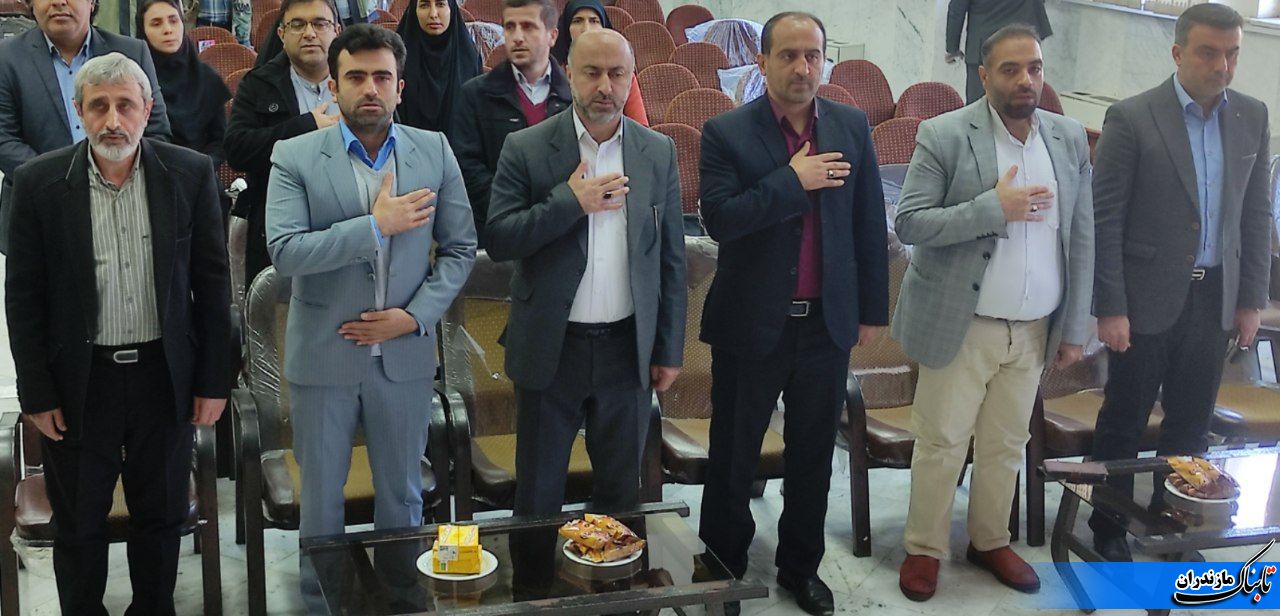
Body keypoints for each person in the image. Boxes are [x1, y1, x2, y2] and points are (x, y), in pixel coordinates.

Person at [5, 52, 231, 615]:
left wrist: (213, 381)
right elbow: (23, 299)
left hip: (164, 376)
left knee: (162, 517)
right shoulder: (37, 184)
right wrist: (37, 393)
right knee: (79, 523)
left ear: (147, 110)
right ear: (77, 110)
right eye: (98, 106)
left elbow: (213, 284)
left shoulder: (188, 173)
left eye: (125, 105)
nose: (113, 121)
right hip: (80, 383)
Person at [264, 22, 476, 609]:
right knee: (322, 501)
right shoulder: (294, 155)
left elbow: (461, 249)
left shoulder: (433, 150)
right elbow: (284, 252)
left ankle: (400, 599)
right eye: (355, 77)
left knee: (402, 494)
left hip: (403, 354)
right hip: (325, 355)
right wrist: (374, 226)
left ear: (400, 87)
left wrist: (414, 317)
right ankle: (324, 602)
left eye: (382, 77)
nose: (370, 89)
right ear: (333, 87)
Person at [893, 24, 1093, 601]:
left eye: (1035, 67)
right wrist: (992, 208)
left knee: (1006, 443)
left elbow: (1083, 235)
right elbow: (910, 222)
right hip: (964, 324)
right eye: (1011, 69)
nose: (1026, 79)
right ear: (984, 76)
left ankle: (989, 540)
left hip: (1033, 329)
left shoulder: (1067, 138)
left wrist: (1074, 326)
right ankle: (925, 548)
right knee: (942, 442)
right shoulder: (945, 134)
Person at [697, 12, 888, 616]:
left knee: (812, 455)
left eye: (813, 55)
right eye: (789, 55)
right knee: (734, 454)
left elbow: (868, 222)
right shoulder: (727, 132)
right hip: (751, 323)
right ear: (762, 61)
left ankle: (800, 567)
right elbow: (720, 220)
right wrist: (791, 179)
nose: (803, 68)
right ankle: (723, 565)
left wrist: (871, 310)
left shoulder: (851, 126)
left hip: (825, 324)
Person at [1089, 3, 1272, 562]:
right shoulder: (1132, 117)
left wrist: (1251, 299)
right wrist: (1110, 306)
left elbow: (1256, 214)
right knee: (1125, 418)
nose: (1222, 66)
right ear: (1177, 53)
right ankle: (1108, 523)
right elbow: (1105, 219)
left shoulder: (1252, 115)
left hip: (1215, 295)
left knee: (1191, 425)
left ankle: (1175, 523)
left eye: (1232, 54)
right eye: (1209, 53)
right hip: (1144, 296)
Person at [486, 28, 686, 517]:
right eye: (592, 72)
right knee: (539, 491)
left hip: (626, 348)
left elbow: (670, 259)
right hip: (553, 347)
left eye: (617, 74)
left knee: (620, 493)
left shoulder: (657, 151)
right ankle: (536, 568)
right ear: (568, 73)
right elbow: (500, 239)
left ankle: (615, 567)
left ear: (631, 78)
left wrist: (667, 348)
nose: (604, 86)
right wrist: (569, 203)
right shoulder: (526, 147)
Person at [0, 0, 170, 253]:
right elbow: (4, 139)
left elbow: (156, 130)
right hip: (40, 212)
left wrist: (110, 179)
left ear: (92, 2)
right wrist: (59, 182)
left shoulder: (131, 51)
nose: (59, 2)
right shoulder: (7, 57)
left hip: (123, 208)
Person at [225, 0, 341, 291]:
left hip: (348, 225)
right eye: (297, 25)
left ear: (337, 31)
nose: (309, 33)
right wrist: (305, 127)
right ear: (281, 34)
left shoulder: (359, 79)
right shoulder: (258, 84)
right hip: (280, 227)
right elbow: (237, 150)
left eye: (320, 23)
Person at [453, 0, 571, 247]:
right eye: (510, 27)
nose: (517, 37)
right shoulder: (475, 95)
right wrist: (511, 208)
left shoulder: (573, 98)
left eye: (528, 27)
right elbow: (468, 166)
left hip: (560, 232)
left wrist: (552, 211)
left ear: (552, 36)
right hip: (499, 230)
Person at [137, 0, 231, 171]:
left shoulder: (206, 78)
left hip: (200, 174)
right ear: (143, 30)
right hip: (148, 175)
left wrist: (199, 168)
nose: (168, 29)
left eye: (174, 21)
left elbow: (220, 140)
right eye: (156, 24)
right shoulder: (134, 82)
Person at [550, 0, 647, 125]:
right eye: (577, 21)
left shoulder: (622, 75)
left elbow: (639, 126)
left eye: (594, 21)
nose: (586, 29)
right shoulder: (552, 73)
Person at [395, 0, 481, 140]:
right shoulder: (397, 60)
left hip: (459, 150)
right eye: (424, 5)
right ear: (414, 10)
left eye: (440, 4)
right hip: (406, 147)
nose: (433, 14)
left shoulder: (469, 58)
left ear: (451, 9)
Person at [945, 0, 1051, 103]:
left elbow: (956, 9)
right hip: (1024, 43)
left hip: (984, 47)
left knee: (979, 107)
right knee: (1025, 103)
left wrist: (952, 48)